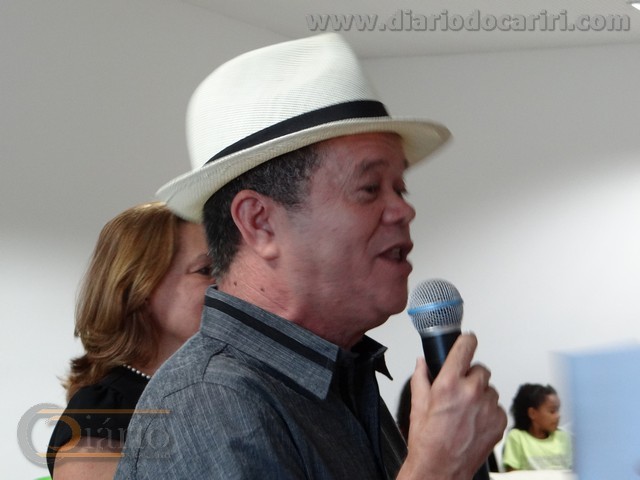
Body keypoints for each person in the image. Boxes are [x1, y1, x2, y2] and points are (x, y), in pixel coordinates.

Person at [116, 33, 506, 479]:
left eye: (400, 188)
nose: (403, 210)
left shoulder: (339, 378)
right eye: (369, 188)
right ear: (259, 222)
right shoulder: (208, 404)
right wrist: (436, 469)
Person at [47, 202, 214, 479]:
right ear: (141, 287)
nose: (228, 285)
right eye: (206, 270)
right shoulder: (97, 429)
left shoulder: (213, 387)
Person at [502, 383, 572, 471]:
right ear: (532, 413)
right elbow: (511, 475)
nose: (558, 416)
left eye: (558, 410)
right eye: (552, 411)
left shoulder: (563, 437)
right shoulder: (517, 437)